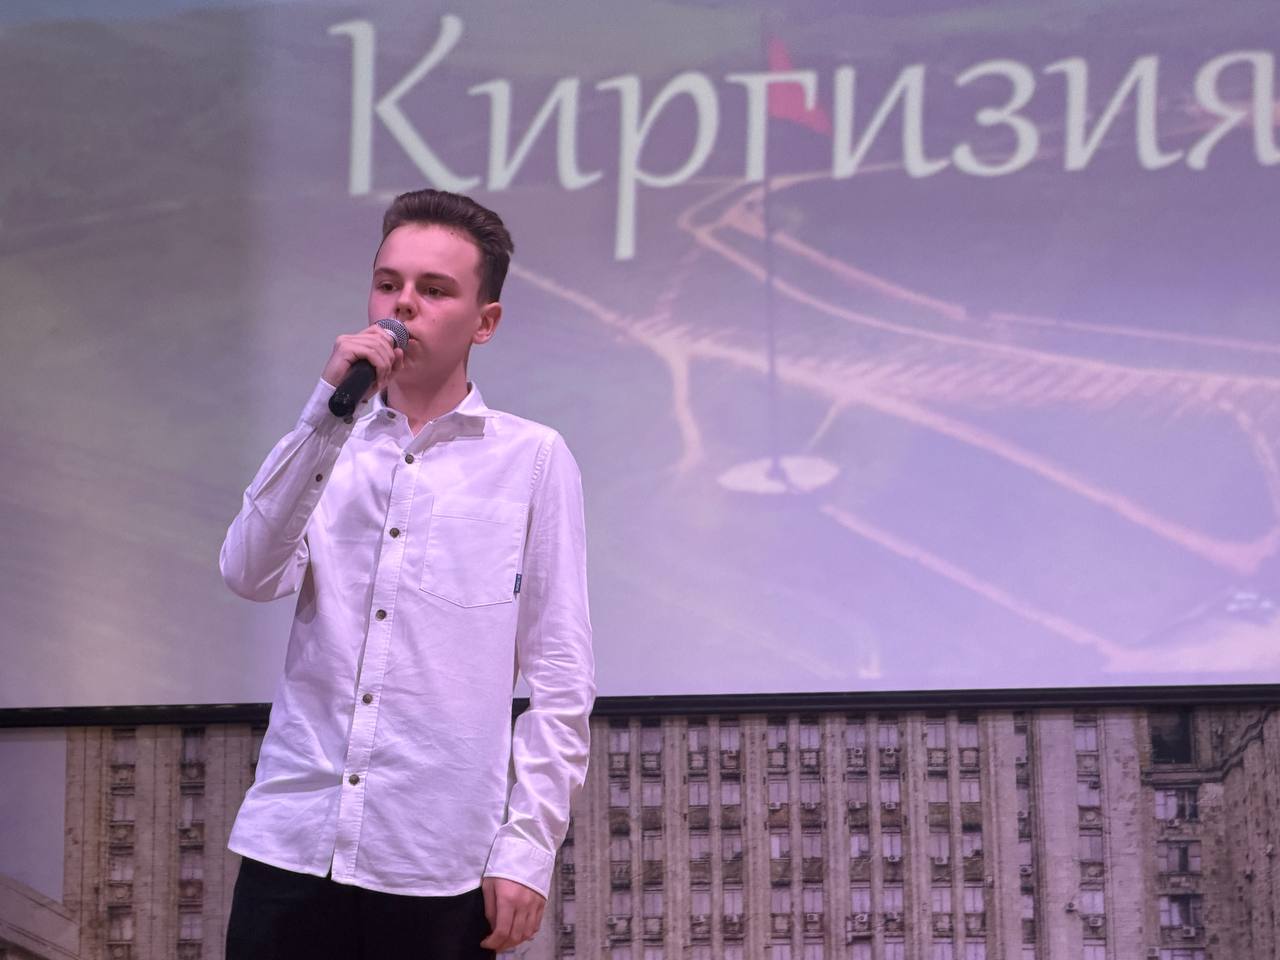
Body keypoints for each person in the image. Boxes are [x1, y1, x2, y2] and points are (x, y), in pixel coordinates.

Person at [218, 189, 594, 959]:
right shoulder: (328, 443)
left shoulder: (531, 459)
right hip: (293, 842)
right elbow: (248, 573)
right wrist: (324, 415)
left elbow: (560, 674)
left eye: (434, 289)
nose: (403, 305)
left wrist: (528, 847)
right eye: (388, 283)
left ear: (485, 322)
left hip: (434, 860)